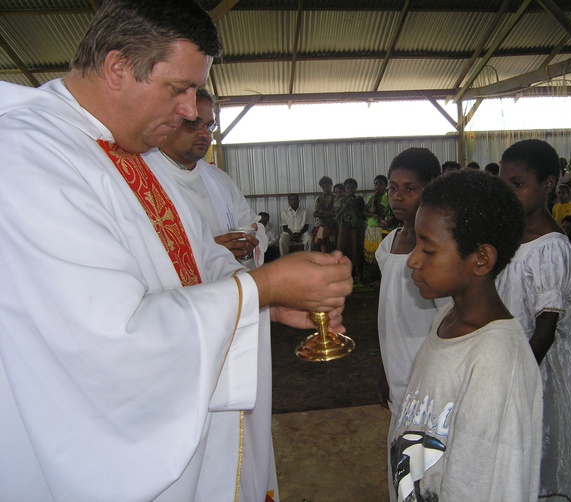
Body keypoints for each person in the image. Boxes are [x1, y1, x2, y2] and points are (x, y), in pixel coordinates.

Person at [0, 1, 353, 501]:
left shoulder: (125, 149)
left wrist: (266, 305)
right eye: (178, 89)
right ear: (118, 67)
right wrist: (264, 285)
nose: (192, 109)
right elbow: (109, 342)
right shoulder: (27, 155)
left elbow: (185, 259)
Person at [391, 170, 542, 501]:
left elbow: (488, 484)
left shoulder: (495, 362)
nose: (412, 260)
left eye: (428, 249)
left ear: (481, 259)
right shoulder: (448, 318)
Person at [496, 139, 571, 501]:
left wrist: (510, 380)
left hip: (536, 374)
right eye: (503, 184)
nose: (508, 193)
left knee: (539, 458)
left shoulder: (551, 247)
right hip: (509, 362)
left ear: (548, 185)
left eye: (517, 185)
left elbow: (545, 333)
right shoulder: (511, 237)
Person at [375, 147, 442, 500]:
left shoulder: (435, 251)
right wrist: (383, 369)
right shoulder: (388, 245)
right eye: (392, 187)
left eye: (409, 188)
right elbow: (389, 314)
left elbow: (448, 316)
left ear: (430, 189)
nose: (398, 196)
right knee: (401, 460)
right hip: (396, 367)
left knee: (427, 461)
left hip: (427, 373)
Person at [149, 87, 267, 268]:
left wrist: (246, 247)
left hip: (229, 288)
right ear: (169, 121)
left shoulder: (220, 179)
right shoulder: (145, 179)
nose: (204, 134)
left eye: (209, 126)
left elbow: (253, 226)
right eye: (193, 123)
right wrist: (209, 253)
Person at [335, 178, 365, 282]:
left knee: (358, 252)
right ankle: (348, 275)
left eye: (352, 188)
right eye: (348, 188)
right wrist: (346, 205)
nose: (350, 190)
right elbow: (337, 216)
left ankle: (360, 276)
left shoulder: (359, 199)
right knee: (345, 252)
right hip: (344, 230)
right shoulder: (341, 200)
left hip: (356, 230)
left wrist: (353, 205)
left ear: (356, 188)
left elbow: (362, 215)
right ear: (345, 189)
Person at [362, 174, 390, 282]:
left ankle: (381, 278)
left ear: (385, 186)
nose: (377, 186)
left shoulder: (384, 197)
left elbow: (374, 210)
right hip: (370, 228)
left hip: (380, 229)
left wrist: (376, 197)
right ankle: (373, 277)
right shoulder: (371, 197)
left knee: (380, 254)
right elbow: (364, 212)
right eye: (376, 183)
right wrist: (373, 215)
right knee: (371, 255)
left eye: (381, 184)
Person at [312, 176, 337, 253]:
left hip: (333, 224)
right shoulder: (319, 198)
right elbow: (314, 214)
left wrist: (322, 211)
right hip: (321, 224)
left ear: (331, 185)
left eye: (328, 186)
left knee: (332, 243)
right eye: (323, 187)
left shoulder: (336, 197)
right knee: (318, 242)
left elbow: (335, 212)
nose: (326, 188)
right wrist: (329, 213)